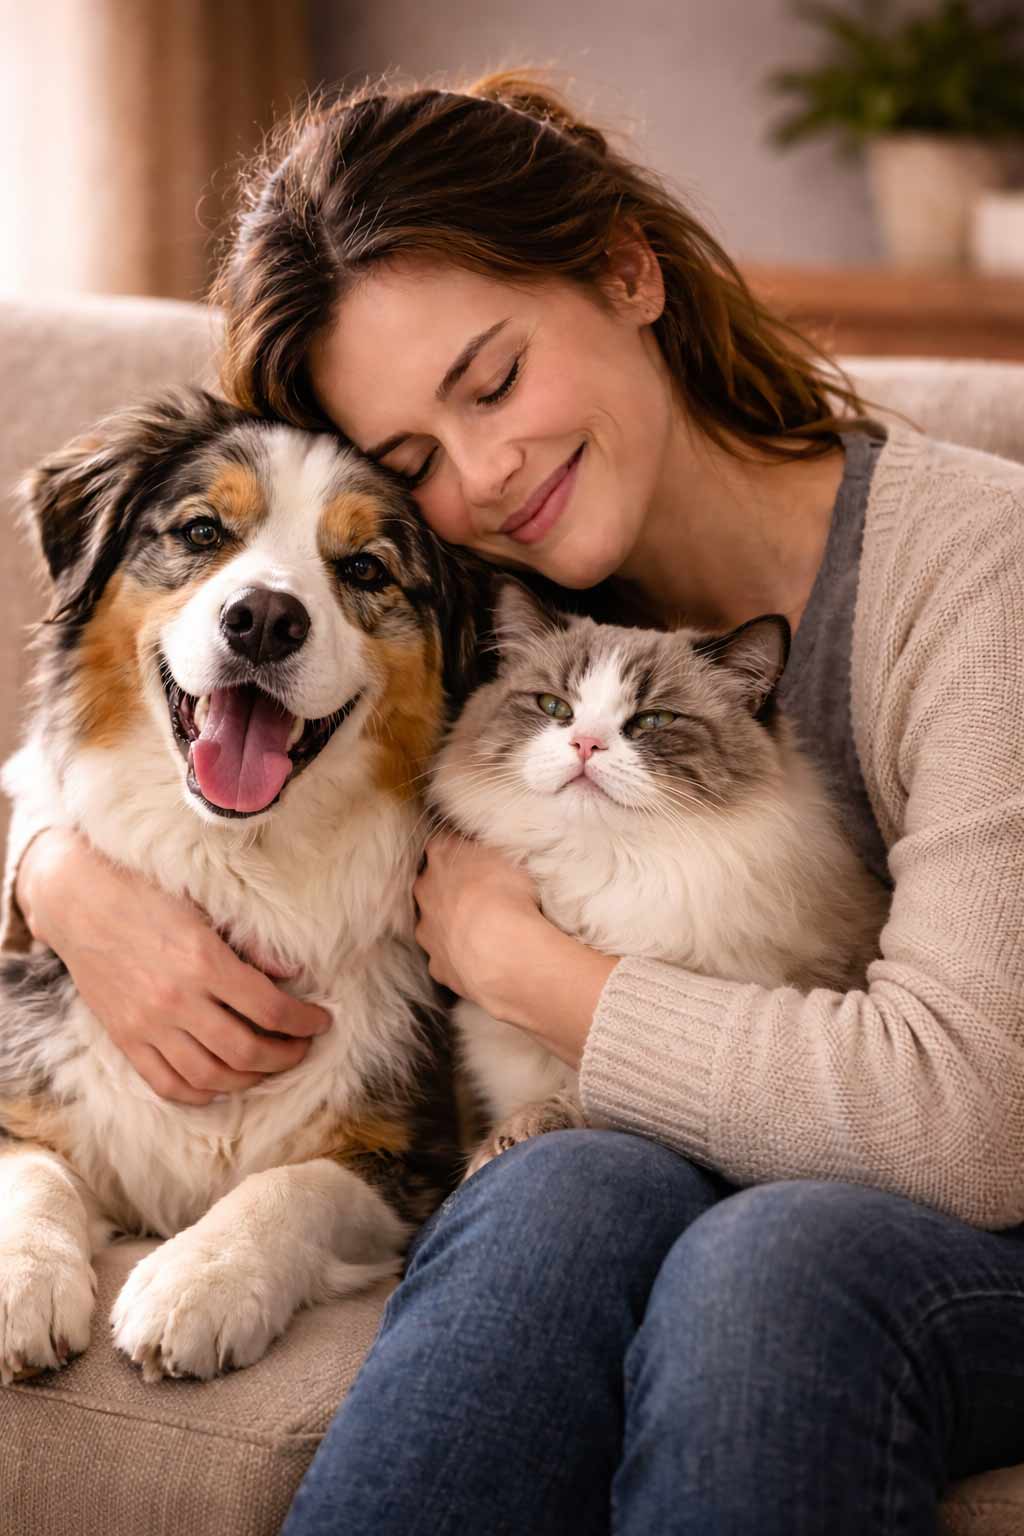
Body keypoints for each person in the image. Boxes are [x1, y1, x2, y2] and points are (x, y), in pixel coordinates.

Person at [10, 72, 1024, 1533]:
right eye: (414, 460)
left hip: (973, 1216)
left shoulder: (979, 573)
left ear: (626, 269)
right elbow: (159, 705)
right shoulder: (483, 608)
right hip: (642, 1158)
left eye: (491, 381)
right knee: (560, 1195)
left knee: (773, 1265)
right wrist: (56, 875)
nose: (483, 474)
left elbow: (972, 1121)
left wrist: (524, 966)